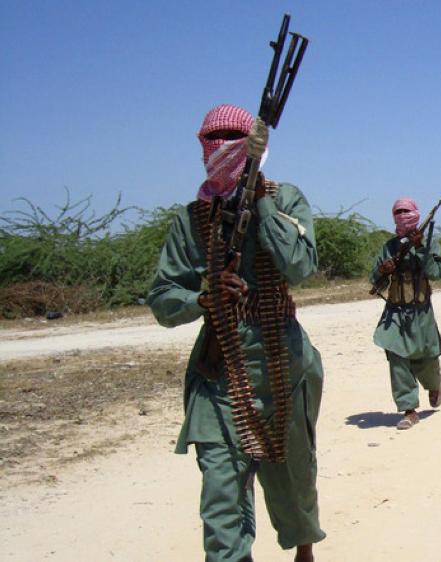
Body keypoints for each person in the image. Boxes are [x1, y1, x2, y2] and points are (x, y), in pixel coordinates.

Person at [148, 104, 325, 562]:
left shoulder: (285, 199)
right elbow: (163, 298)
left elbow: (300, 266)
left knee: (293, 479)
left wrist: (260, 202)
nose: (223, 147)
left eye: (235, 138)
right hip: (220, 374)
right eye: (214, 138)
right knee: (221, 502)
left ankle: (303, 547)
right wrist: (204, 299)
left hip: (283, 365)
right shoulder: (192, 219)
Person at [370, 198, 441, 430]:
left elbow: (436, 273)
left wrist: (421, 247)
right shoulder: (389, 247)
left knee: (426, 358)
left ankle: (434, 385)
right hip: (395, 312)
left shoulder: (431, 244)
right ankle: (409, 409)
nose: (402, 215)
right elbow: (375, 281)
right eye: (398, 212)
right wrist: (383, 270)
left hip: (421, 313)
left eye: (406, 211)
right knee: (396, 356)